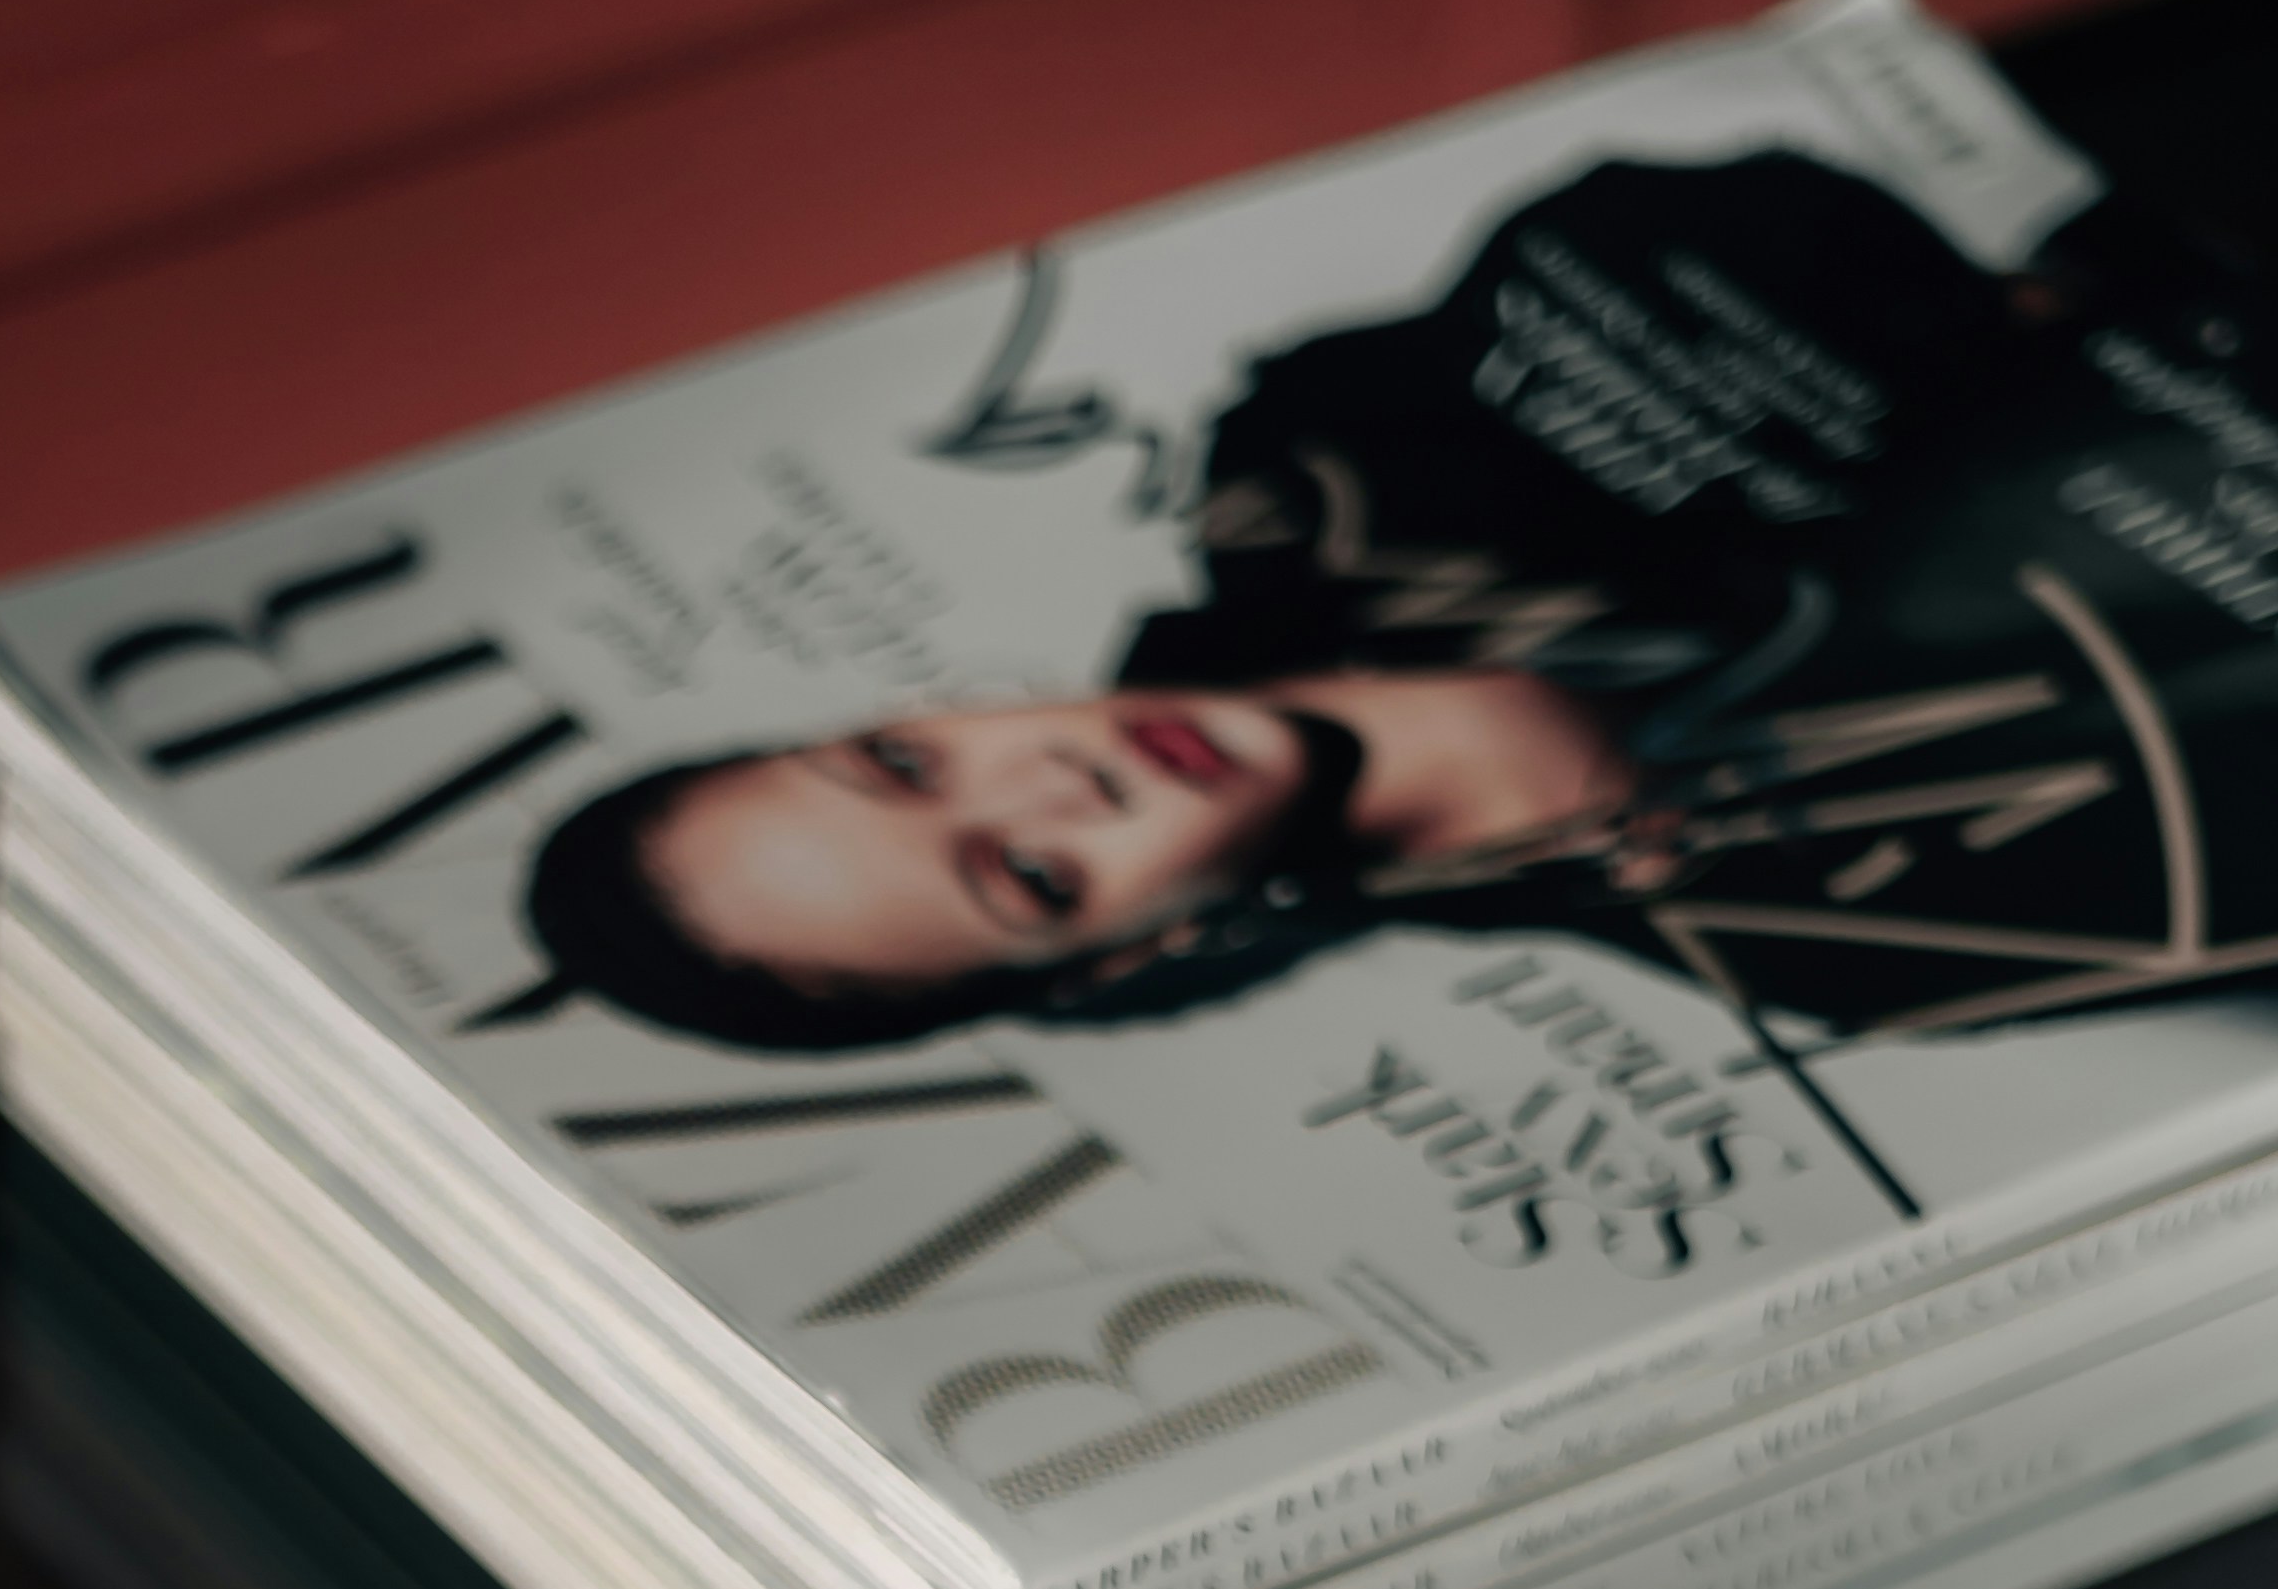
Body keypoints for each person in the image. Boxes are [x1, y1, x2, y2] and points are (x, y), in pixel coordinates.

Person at [507, 145, 2278, 1055]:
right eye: (1031, 877)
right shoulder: (1863, 939)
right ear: (1132, 953)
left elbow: (1771, 204)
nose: (1058, 780)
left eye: (906, 763)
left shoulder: (1321, 462)